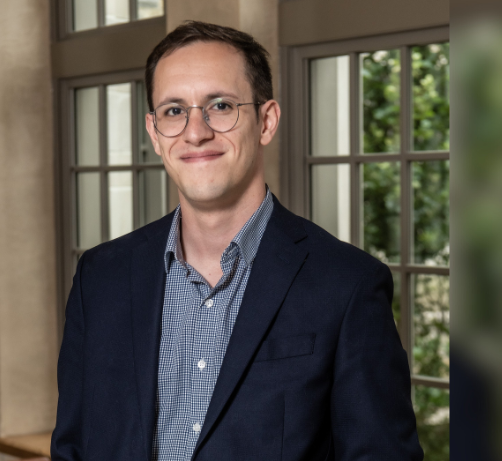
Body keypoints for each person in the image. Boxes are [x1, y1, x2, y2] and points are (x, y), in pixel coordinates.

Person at [51, 21, 423, 461]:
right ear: (154, 133)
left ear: (266, 121)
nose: (195, 132)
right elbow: (72, 450)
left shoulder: (346, 286)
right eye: (174, 111)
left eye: (220, 105)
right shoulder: (100, 279)